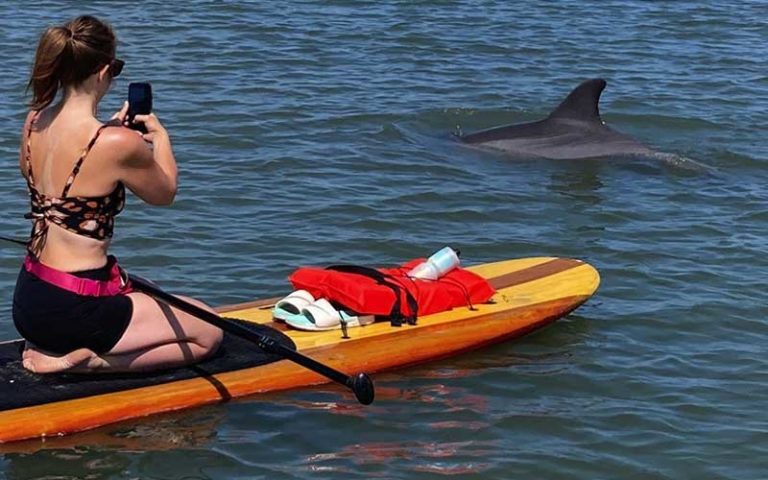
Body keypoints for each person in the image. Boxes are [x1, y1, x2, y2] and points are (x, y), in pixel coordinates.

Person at [12, 15, 223, 374]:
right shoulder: (117, 143)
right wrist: (161, 139)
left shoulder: (34, 123)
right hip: (77, 308)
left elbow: (71, 170)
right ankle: (94, 362)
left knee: (156, 294)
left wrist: (111, 132)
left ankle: (60, 344)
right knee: (209, 331)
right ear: (104, 70)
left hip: (31, 298)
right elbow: (164, 193)